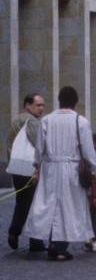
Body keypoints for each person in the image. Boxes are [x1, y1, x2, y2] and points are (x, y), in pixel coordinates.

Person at [24, 86, 96, 261]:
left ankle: (53, 243)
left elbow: (39, 148)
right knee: (68, 207)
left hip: (50, 168)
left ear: (59, 101)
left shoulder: (47, 120)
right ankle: (59, 247)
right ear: (75, 102)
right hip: (71, 169)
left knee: (50, 205)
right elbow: (88, 150)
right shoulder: (81, 121)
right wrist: (94, 168)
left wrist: (37, 166)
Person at [7, 92, 45, 251]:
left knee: (22, 203)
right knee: (36, 205)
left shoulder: (18, 120)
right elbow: (39, 145)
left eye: (42, 105)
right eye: (38, 105)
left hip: (17, 168)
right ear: (27, 105)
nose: (41, 108)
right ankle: (34, 241)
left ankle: (16, 232)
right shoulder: (31, 121)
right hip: (31, 170)